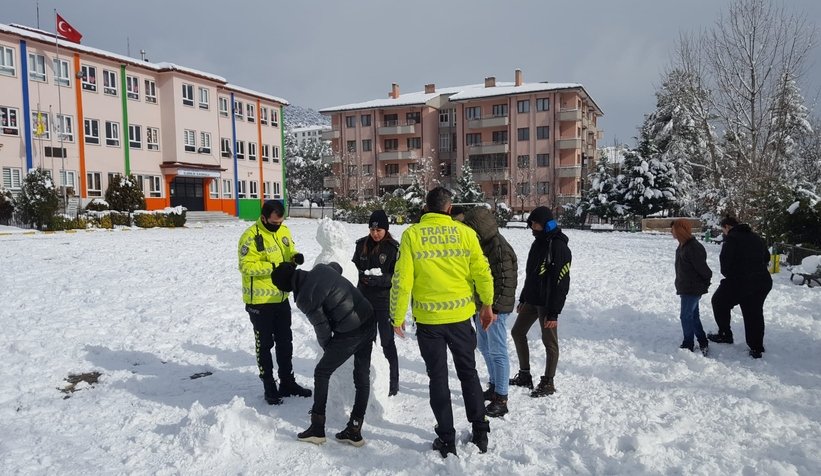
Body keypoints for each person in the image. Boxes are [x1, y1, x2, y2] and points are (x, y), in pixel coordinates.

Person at [390, 187, 495, 458]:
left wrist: (397, 316)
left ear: (425, 208)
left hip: (429, 322)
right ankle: (480, 431)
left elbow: (402, 280)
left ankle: (447, 438)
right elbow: (482, 272)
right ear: (449, 208)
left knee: (437, 378)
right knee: (468, 373)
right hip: (460, 319)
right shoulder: (466, 233)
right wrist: (487, 304)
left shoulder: (412, 235)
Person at [271, 262, 377, 447]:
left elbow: (322, 328)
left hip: (350, 332)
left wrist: (328, 348)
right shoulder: (321, 268)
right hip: (368, 317)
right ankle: (354, 429)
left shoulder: (305, 298)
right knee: (362, 376)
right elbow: (337, 267)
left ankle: (317, 429)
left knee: (322, 372)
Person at [237, 200, 312, 406]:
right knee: (264, 345)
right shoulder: (250, 237)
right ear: (263, 218)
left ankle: (287, 382)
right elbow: (245, 266)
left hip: (280, 298)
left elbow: (289, 250)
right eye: (273, 223)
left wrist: (295, 256)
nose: (278, 226)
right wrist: (274, 267)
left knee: (285, 342)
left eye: (280, 222)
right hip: (259, 302)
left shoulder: (283, 231)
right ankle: (269, 386)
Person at [461, 207, 518, 418]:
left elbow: (506, 282)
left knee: (498, 351)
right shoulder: (483, 244)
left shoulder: (499, 248)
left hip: (495, 309)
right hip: (482, 306)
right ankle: (494, 385)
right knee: (484, 347)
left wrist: (494, 309)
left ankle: (501, 398)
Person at [509, 206, 571, 398]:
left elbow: (561, 282)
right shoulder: (538, 243)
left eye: (534, 224)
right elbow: (531, 274)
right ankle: (525, 375)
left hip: (547, 303)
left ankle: (548, 382)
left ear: (546, 224)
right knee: (517, 332)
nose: (531, 227)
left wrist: (554, 312)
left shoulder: (559, 247)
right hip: (532, 299)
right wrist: (524, 297)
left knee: (549, 342)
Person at [708, 216, 772, 358]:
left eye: (723, 230)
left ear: (727, 227)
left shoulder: (731, 239)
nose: (724, 233)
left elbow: (725, 266)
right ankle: (756, 348)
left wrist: (734, 276)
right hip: (762, 281)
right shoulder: (756, 237)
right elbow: (767, 257)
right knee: (754, 312)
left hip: (740, 281)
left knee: (718, 301)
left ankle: (725, 334)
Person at [352, 210, 401, 396]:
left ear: (385, 229)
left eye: (379, 230)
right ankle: (367, 379)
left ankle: (393, 383)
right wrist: (361, 277)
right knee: (366, 341)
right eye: (372, 230)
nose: (375, 233)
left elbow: (397, 276)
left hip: (383, 301)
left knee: (387, 342)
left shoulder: (393, 248)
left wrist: (380, 280)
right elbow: (353, 268)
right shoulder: (361, 245)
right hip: (364, 300)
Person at [671, 219, 712, 355]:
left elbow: (704, 270)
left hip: (692, 288)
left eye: (673, 229)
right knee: (693, 316)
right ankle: (702, 341)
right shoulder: (683, 245)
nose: (671, 232)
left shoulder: (693, 247)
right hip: (686, 287)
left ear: (680, 230)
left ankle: (688, 343)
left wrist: (703, 284)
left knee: (685, 316)